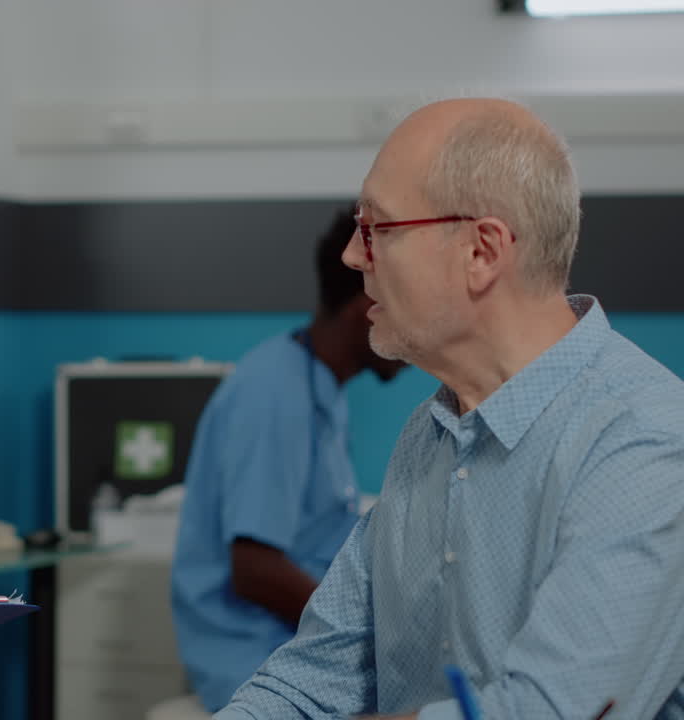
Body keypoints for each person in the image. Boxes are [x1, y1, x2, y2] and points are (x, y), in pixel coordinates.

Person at [216, 98, 684, 719]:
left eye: (377, 228)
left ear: (482, 251)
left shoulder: (645, 441)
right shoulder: (428, 437)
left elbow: (546, 711)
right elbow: (309, 683)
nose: (354, 256)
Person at [171, 209, 406, 712]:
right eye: (407, 301)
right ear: (367, 303)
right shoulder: (273, 393)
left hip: (293, 644)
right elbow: (254, 568)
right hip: (253, 659)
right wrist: (362, 637)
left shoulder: (320, 386)